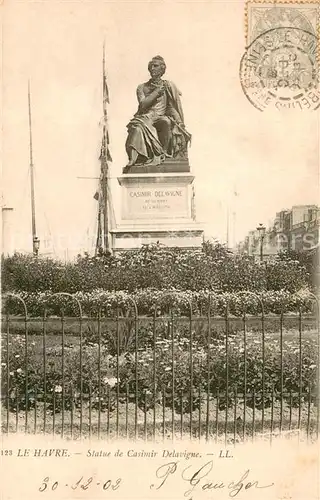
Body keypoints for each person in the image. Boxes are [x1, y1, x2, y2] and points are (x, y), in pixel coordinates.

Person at [125, 56, 191, 168]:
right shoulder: (142, 87)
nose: (152, 68)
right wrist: (156, 92)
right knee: (137, 127)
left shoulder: (168, 86)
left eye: (155, 66)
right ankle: (134, 158)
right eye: (150, 66)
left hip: (160, 117)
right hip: (146, 116)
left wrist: (179, 122)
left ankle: (163, 155)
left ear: (162, 69)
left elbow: (170, 108)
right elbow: (143, 105)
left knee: (166, 122)